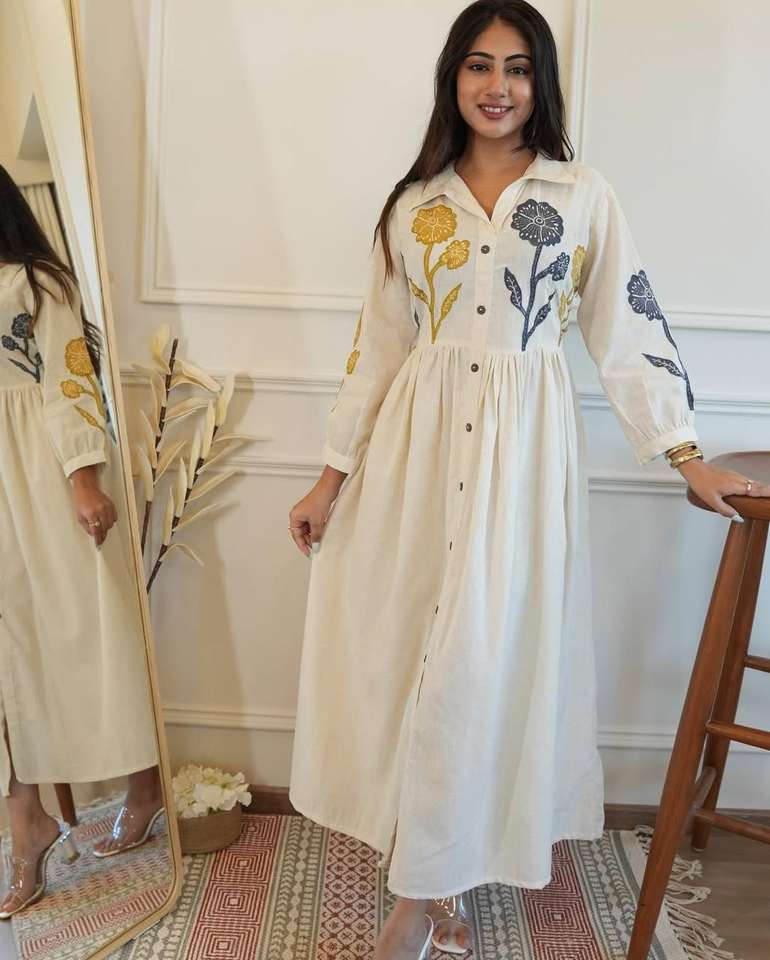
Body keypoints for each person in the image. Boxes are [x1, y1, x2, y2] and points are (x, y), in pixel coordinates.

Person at [286, 3, 770, 958]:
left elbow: (626, 325)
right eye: (478, 65)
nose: (497, 86)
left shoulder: (581, 194)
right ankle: (429, 877)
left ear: (540, 82)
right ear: (453, 79)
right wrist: (329, 480)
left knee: (480, 669)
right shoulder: (412, 203)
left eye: (516, 67)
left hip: (520, 462)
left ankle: (425, 892)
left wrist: (681, 454)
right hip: (417, 457)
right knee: (410, 660)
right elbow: (378, 347)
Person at [0, 165, 161, 918]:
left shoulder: (36, 284)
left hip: (38, 478)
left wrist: (83, 479)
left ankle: (143, 783)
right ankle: (25, 821)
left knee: (88, 637)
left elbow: (70, 382)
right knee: (10, 661)